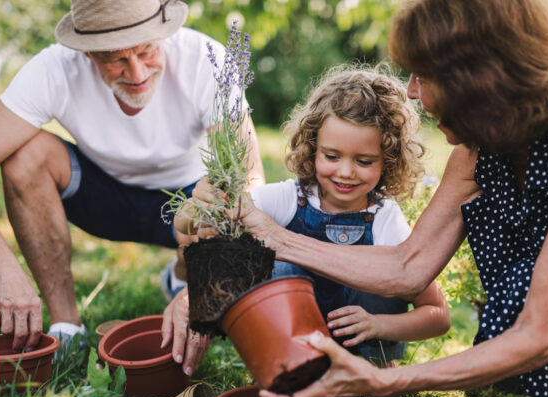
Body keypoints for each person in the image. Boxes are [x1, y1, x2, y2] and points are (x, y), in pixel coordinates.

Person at [185, 0, 548, 397]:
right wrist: (268, 235)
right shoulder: (481, 145)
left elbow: (537, 335)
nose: (409, 91)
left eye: (423, 74)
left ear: (481, 78)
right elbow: (409, 266)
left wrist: (384, 381)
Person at [0, 0, 264, 378]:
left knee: (222, 199)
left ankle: (181, 280)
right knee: (25, 155)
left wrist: (203, 288)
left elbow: (249, 183)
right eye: (114, 60)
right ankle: (67, 327)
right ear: (85, 51)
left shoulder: (206, 59)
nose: (136, 72)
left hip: (186, 204)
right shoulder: (53, 68)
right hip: (102, 198)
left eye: (147, 50)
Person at [178, 66, 451, 366]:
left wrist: (378, 325)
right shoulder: (289, 199)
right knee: (277, 268)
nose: (345, 172)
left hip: (362, 354)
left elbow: (438, 316)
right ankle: (286, 366)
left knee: (386, 274)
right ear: (312, 148)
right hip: (294, 350)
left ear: (388, 160)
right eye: (331, 156)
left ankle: (378, 369)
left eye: (364, 161)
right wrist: (199, 204)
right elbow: (189, 222)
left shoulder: (385, 218)